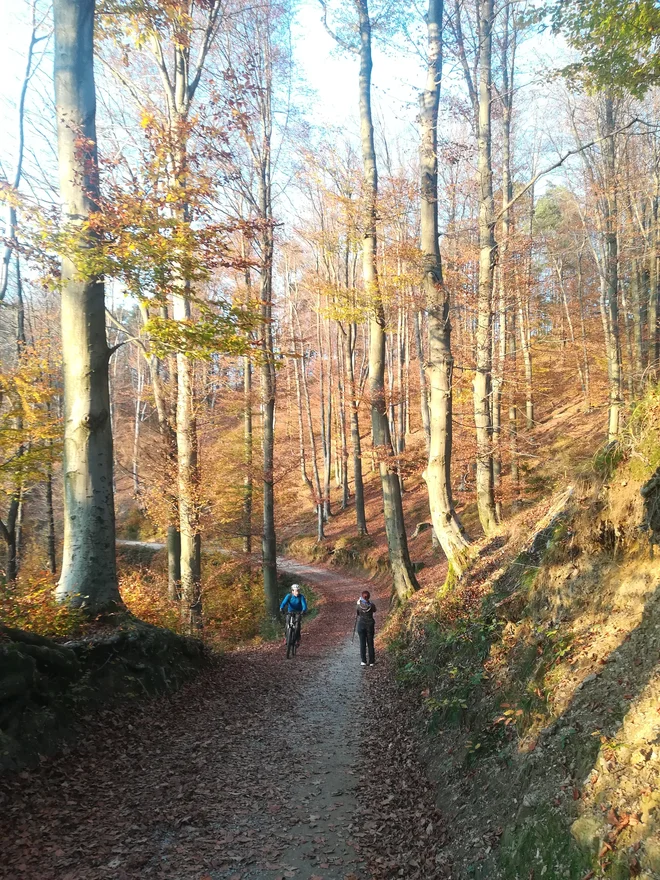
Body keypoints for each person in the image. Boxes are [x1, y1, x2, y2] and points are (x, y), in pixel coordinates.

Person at [355, 589, 377, 667]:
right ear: (369, 597)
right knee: (370, 643)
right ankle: (371, 661)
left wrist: (358, 603)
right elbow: (374, 610)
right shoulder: (371, 605)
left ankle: (363, 661)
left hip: (361, 625)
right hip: (370, 625)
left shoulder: (359, 605)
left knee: (362, 643)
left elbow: (357, 613)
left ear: (362, 597)